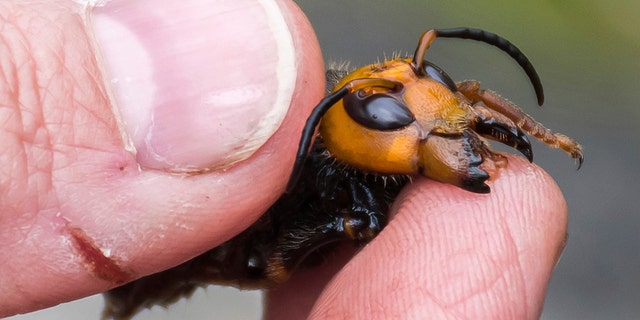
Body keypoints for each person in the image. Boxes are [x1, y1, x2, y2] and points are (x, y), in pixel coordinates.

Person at [0, 0, 568, 319]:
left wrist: (533, 129)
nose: (435, 112)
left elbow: (464, 90)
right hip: (214, 250)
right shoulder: (319, 169)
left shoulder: (390, 136)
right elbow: (274, 260)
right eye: (396, 118)